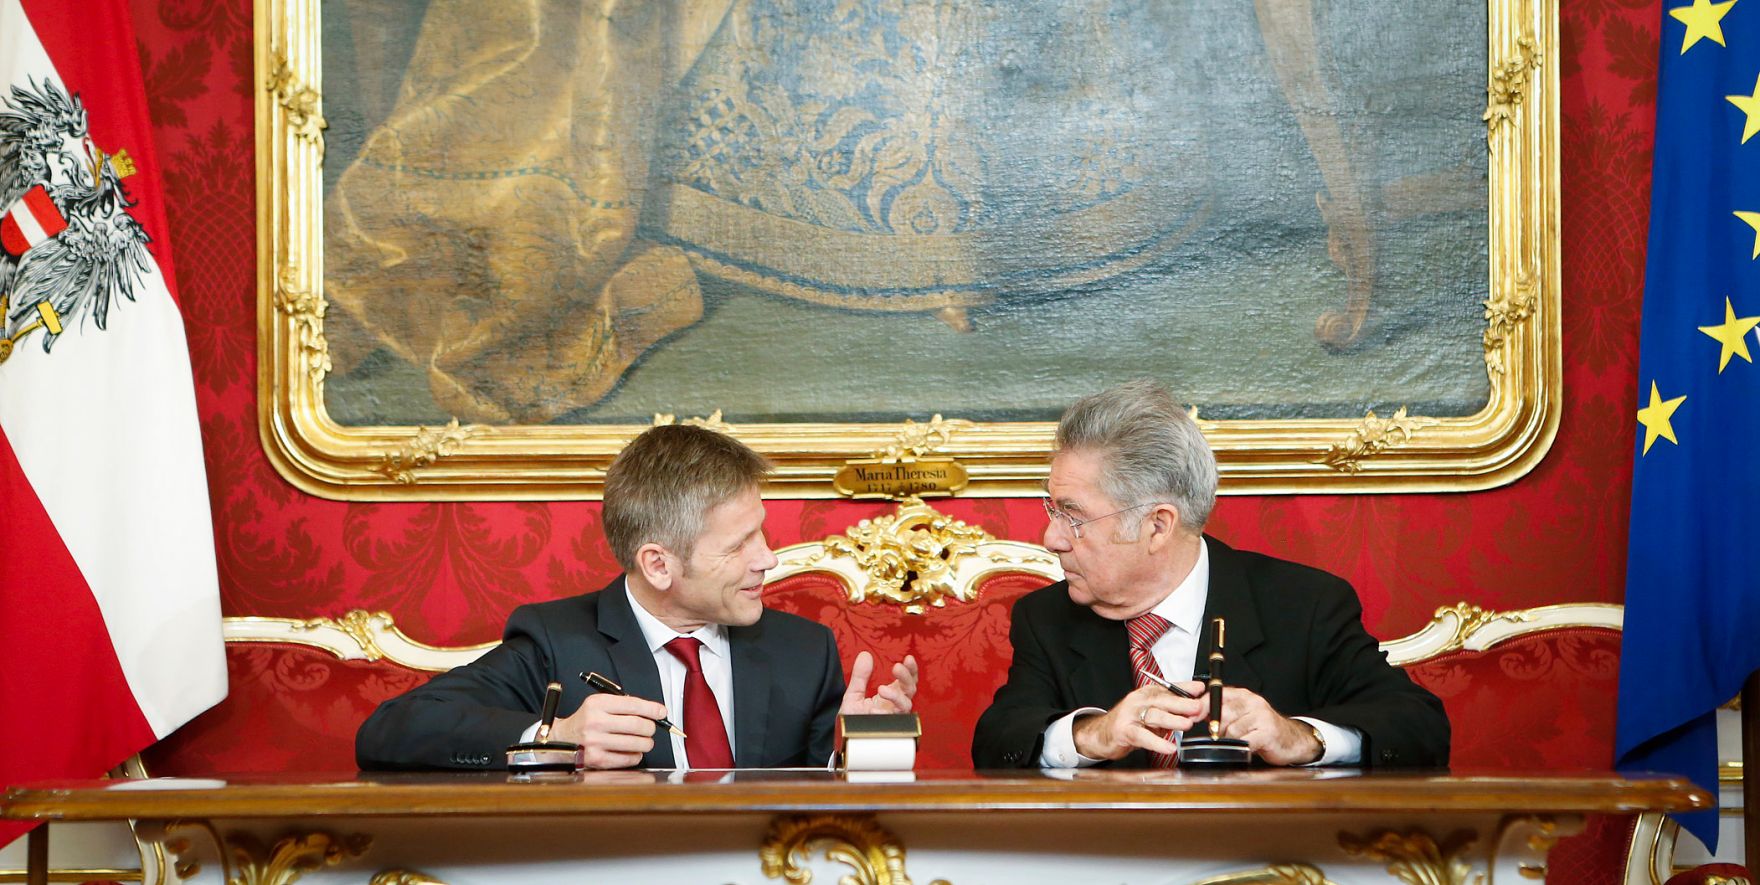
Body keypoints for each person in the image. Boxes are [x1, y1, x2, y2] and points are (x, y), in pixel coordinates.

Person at [356, 424, 918, 770]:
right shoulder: (556, 642)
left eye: (762, 532)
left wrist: (865, 744)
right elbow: (391, 731)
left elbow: (825, 793)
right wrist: (554, 738)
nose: (768, 559)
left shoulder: (803, 649)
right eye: (740, 544)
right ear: (659, 563)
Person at [971, 380, 1448, 770]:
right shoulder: (1046, 618)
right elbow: (997, 741)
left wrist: (1300, 737)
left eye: (1073, 518)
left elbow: (1419, 727)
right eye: (1052, 510)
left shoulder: (1304, 606)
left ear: (1157, 526)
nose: (1052, 539)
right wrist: (1092, 734)